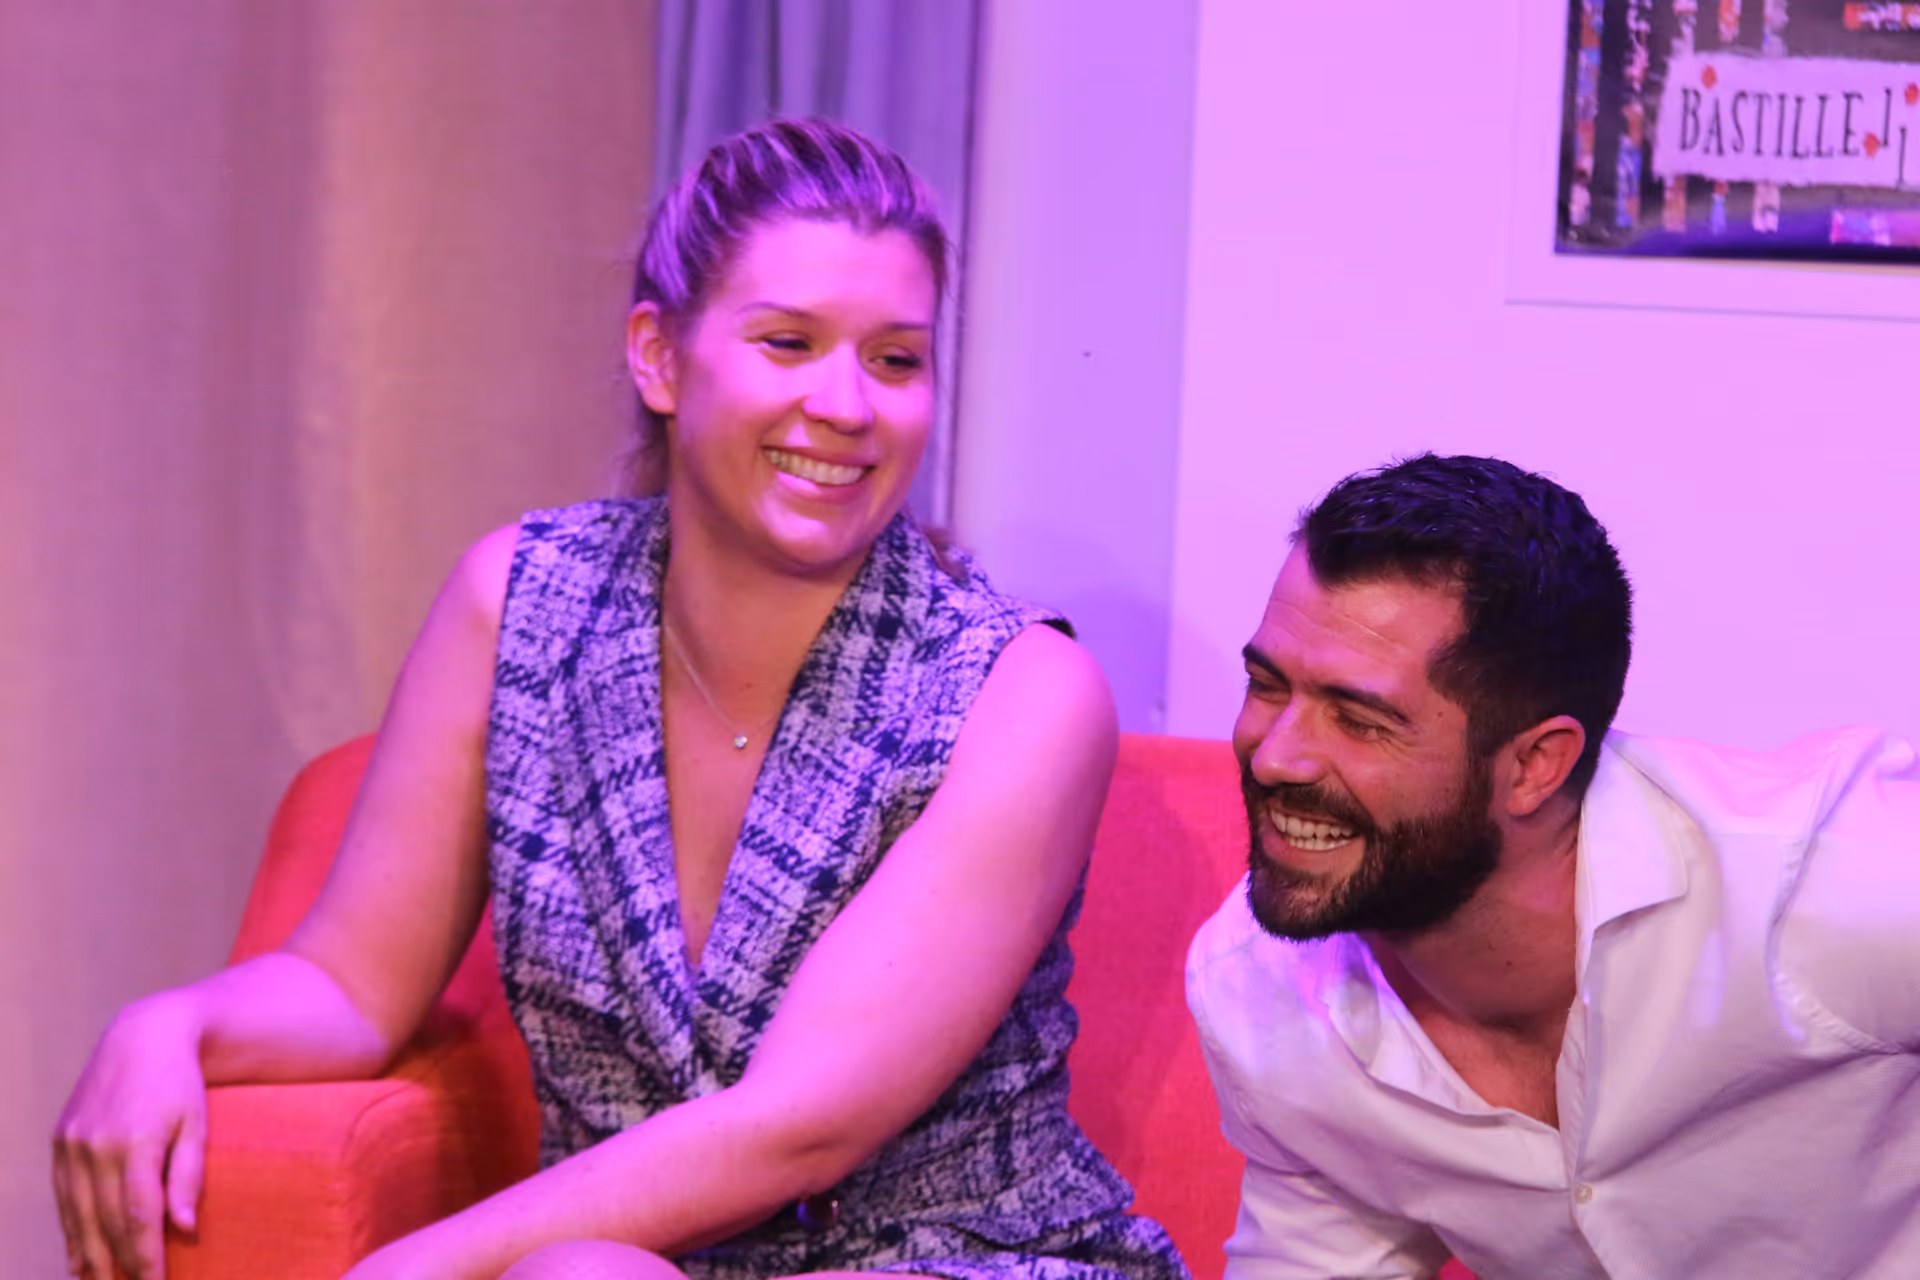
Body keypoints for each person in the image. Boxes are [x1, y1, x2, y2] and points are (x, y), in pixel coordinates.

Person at [54, 118, 1189, 1280]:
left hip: (961, 1257)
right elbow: (351, 983)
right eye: (788, 342)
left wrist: (407, 1269)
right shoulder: (517, 603)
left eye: (895, 360)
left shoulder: (1020, 690)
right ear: (659, 356)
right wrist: (168, 1025)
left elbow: (797, 1122)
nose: (848, 404)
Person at [1185, 453, 1920, 1278]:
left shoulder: (1819, 885)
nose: (1275, 757)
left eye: (1360, 721)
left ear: (1535, 765)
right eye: (1267, 685)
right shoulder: (1259, 989)